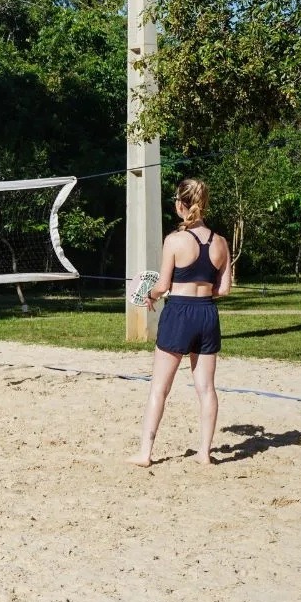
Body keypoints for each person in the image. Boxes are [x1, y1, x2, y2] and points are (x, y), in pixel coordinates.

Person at [129, 178, 233, 467]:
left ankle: (145, 454)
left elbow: (162, 285)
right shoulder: (221, 242)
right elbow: (224, 290)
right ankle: (204, 453)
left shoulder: (175, 240)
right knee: (207, 389)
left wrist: (150, 295)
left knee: (159, 388)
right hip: (207, 314)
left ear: (180, 204)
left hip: (179, 313)